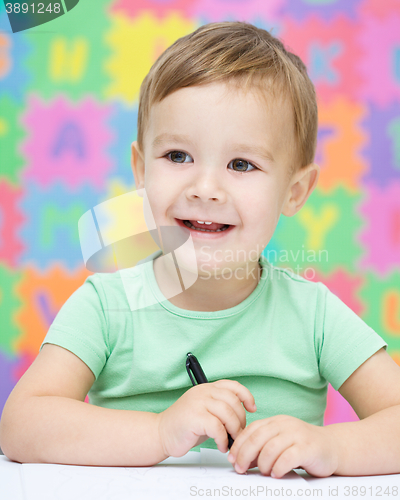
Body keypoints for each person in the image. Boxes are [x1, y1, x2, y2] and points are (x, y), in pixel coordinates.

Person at [1, 21, 400, 479]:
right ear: (141, 168)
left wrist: (332, 446)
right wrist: (158, 432)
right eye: (177, 156)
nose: (205, 188)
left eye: (241, 164)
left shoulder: (314, 315)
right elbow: (21, 424)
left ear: (294, 191)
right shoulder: (107, 306)